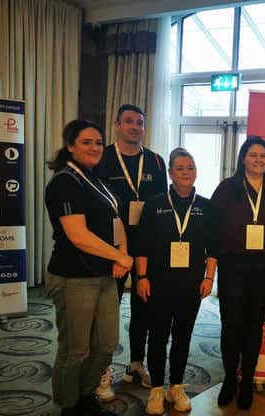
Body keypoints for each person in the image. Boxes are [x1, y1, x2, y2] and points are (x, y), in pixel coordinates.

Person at [45, 119, 133, 416]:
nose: (94, 147)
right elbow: (77, 235)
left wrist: (122, 253)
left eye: (98, 142)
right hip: (73, 277)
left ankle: (85, 398)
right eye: (86, 142)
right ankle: (70, 410)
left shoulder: (96, 178)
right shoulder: (65, 181)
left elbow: (115, 217)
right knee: (76, 349)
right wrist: (119, 255)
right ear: (70, 146)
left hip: (105, 275)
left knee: (106, 344)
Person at [210, 135, 265, 410]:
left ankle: (247, 381)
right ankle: (229, 380)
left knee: (253, 324)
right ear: (243, 159)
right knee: (231, 323)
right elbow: (213, 226)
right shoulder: (227, 188)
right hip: (233, 266)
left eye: (263, 156)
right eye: (253, 154)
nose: (259, 159)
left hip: (264, 268)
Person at [135, 148, 217, 415]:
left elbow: (212, 247)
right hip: (158, 282)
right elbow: (143, 245)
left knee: (182, 337)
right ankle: (156, 389)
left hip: (191, 283)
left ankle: (176, 386)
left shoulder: (205, 206)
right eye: (180, 168)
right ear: (170, 173)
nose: (186, 172)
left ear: (196, 173)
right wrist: (142, 277)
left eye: (190, 168)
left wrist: (209, 277)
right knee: (157, 336)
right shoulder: (155, 203)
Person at [99, 104, 167, 398]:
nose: (134, 127)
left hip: (147, 246)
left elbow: (164, 203)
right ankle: (101, 371)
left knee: (144, 308)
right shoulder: (103, 159)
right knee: (105, 310)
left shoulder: (155, 161)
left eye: (139, 122)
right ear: (117, 125)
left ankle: (136, 363)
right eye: (129, 122)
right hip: (111, 246)